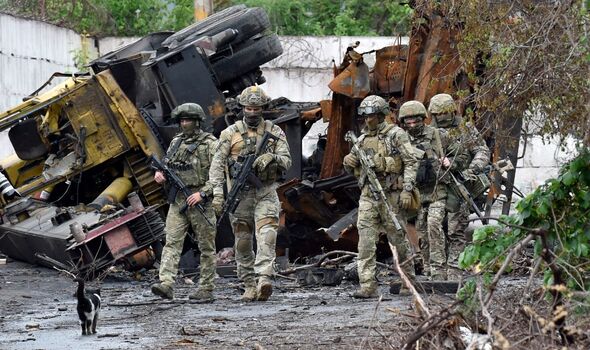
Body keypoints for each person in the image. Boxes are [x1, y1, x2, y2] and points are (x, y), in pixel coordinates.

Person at [209, 86, 292, 302]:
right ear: (242, 108)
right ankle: (248, 283)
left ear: (262, 109)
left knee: (267, 234)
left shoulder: (275, 132)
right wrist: (218, 195)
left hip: (265, 191)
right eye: (248, 108)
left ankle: (264, 277)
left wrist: (271, 158)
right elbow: (217, 167)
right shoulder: (229, 134)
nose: (252, 112)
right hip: (240, 197)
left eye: (256, 108)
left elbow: (287, 161)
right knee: (243, 242)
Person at [342, 95, 418, 298]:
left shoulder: (396, 135)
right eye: (365, 117)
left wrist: (407, 190)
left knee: (398, 240)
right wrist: (349, 162)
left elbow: (410, 162)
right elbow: (355, 169)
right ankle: (368, 285)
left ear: (382, 115)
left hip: (391, 194)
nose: (368, 120)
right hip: (368, 195)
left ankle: (408, 281)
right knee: (365, 242)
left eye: (373, 116)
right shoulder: (361, 140)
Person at [151, 103, 218, 302]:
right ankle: (166, 283)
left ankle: (206, 288)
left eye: (187, 120)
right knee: (172, 241)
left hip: (200, 201)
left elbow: (220, 175)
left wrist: (203, 194)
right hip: (178, 199)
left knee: (206, 246)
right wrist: (160, 174)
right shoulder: (176, 142)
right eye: (181, 121)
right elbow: (166, 164)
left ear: (197, 122)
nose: (184, 124)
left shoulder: (211, 144)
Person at [397, 100, 469, 280]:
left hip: (438, 191)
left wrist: (450, 162)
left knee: (434, 225)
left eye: (416, 121)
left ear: (423, 119)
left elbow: (462, 154)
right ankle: (428, 268)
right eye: (408, 122)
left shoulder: (438, 135)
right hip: (418, 194)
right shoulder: (401, 140)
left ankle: (438, 270)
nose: (412, 125)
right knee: (421, 231)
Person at [428, 93, 490, 278]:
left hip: (460, 183)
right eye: (437, 114)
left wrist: (472, 170)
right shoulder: (429, 131)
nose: (441, 117)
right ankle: (436, 272)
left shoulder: (465, 128)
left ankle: (455, 271)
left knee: (456, 229)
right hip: (436, 187)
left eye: (444, 113)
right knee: (434, 226)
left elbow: (481, 150)